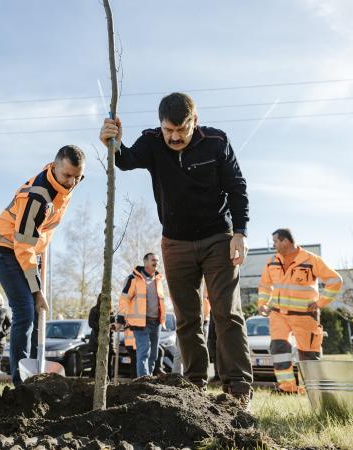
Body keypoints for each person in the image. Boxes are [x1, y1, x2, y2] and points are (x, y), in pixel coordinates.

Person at [100, 92, 253, 404]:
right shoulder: (153, 142)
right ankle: (195, 385)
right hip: (175, 243)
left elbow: (237, 187)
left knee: (226, 312)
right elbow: (126, 160)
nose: (173, 137)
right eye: (168, 130)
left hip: (218, 239)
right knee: (186, 317)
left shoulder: (216, 142)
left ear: (193, 122)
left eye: (180, 131)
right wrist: (111, 142)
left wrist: (240, 232)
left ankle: (238, 390)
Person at [0, 145, 85, 386]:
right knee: (25, 310)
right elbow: (23, 245)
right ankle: (20, 381)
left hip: (30, 249)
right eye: (67, 176)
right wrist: (37, 289)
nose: (72, 182)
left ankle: (34, 374)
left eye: (77, 176)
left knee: (35, 312)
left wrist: (40, 263)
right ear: (54, 167)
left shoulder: (63, 185)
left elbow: (40, 234)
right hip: (6, 248)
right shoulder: (37, 197)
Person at [257, 228, 343, 393]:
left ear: (285, 241)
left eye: (275, 241)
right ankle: (287, 388)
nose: (273, 245)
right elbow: (265, 285)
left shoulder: (311, 260)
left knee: (308, 353)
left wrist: (321, 302)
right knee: (279, 350)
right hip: (278, 314)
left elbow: (335, 280)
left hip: (304, 316)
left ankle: (311, 389)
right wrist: (262, 303)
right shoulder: (272, 261)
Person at [117, 253, 166, 378]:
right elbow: (124, 299)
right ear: (145, 262)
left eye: (158, 260)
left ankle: (148, 379)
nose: (156, 262)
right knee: (144, 352)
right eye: (153, 260)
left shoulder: (158, 279)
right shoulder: (133, 278)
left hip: (156, 323)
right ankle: (143, 380)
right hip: (140, 323)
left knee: (154, 354)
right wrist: (121, 319)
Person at [87, 297, 117, 379]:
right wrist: (104, 326)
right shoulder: (94, 310)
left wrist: (114, 326)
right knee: (96, 364)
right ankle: (92, 382)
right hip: (96, 341)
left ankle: (109, 382)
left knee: (109, 365)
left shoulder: (111, 311)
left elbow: (115, 324)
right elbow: (91, 323)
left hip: (109, 340)